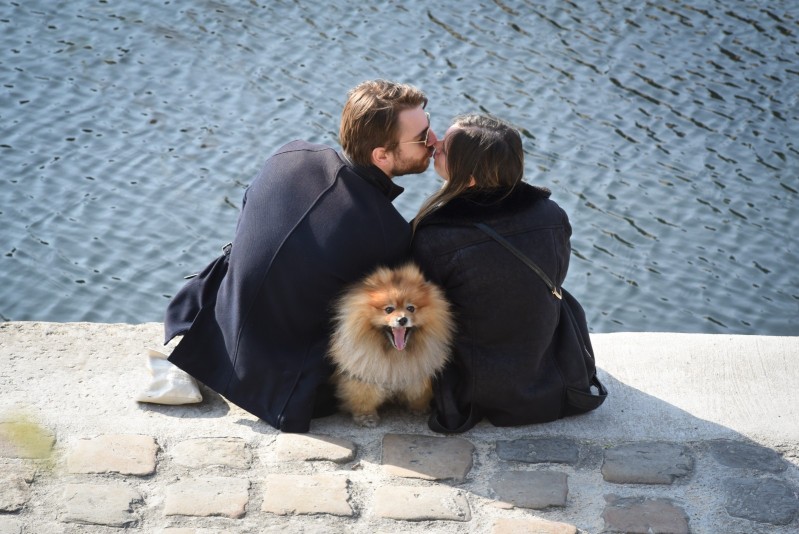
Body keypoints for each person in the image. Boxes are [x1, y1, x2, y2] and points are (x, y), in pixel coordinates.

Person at [163, 80, 437, 433]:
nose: (434, 140)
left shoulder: (290, 155)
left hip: (216, 332)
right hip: (283, 388)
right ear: (381, 155)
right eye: (423, 136)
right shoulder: (389, 233)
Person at [411, 113, 582, 433]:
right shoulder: (551, 214)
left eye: (445, 148)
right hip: (543, 370)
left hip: (475, 385)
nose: (434, 145)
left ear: (471, 177)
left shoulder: (434, 236)